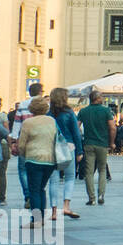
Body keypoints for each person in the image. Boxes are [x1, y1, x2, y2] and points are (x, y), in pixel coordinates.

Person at [17, 96, 58, 223]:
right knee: (41, 188)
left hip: (33, 159)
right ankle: (41, 217)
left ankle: (36, 219)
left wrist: (23, 154)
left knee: (34, 189)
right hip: (50, 159)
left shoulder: (28, 123)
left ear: (31, 109)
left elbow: (22, 144)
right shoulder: (52, 121)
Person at [47, 87, 83, 221]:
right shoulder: (69, 113)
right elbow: (76, 133)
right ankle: (66, 206)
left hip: (53, 148)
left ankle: (54, 211)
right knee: (69, 177)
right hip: (69, 147)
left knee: (53, 180)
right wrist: (79, 151)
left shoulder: (48, 114)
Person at [76, 90, 115, 206]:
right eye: (101, 97)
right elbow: (113, 127)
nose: (102, 98)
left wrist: (80, 139)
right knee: (102, 169)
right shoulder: (106, 110)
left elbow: (76, 126)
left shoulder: (84, 111)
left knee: (89, 171)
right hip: (102, 144)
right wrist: (112, 142)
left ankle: (91, 198)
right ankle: (101, 195)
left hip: (88, 143)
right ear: (97, 98)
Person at [8, 80, 43, 209]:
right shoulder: (44, 105)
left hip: (24, 139)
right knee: (38, 167)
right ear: (40, 92)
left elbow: (16, 125)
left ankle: (28, 195)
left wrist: (13, 142)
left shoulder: (22, 104)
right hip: (40, 140)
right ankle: (37, 193)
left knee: (23, 169)